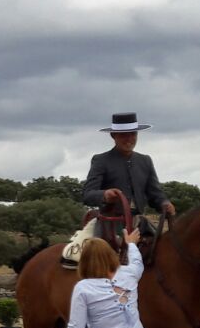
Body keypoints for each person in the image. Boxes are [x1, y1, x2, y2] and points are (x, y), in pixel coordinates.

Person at [64, 112, 178, 268]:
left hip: (138, 224)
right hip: (110, 225)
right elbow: (88, 194)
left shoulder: (145, 161)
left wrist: (164, 203)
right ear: (114, 136)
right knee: (96, 261)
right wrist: (105, 195)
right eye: (124, 135)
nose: (129, 139)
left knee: (166, 253)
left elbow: (154, 193)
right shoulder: (101, 160)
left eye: (133, 134)